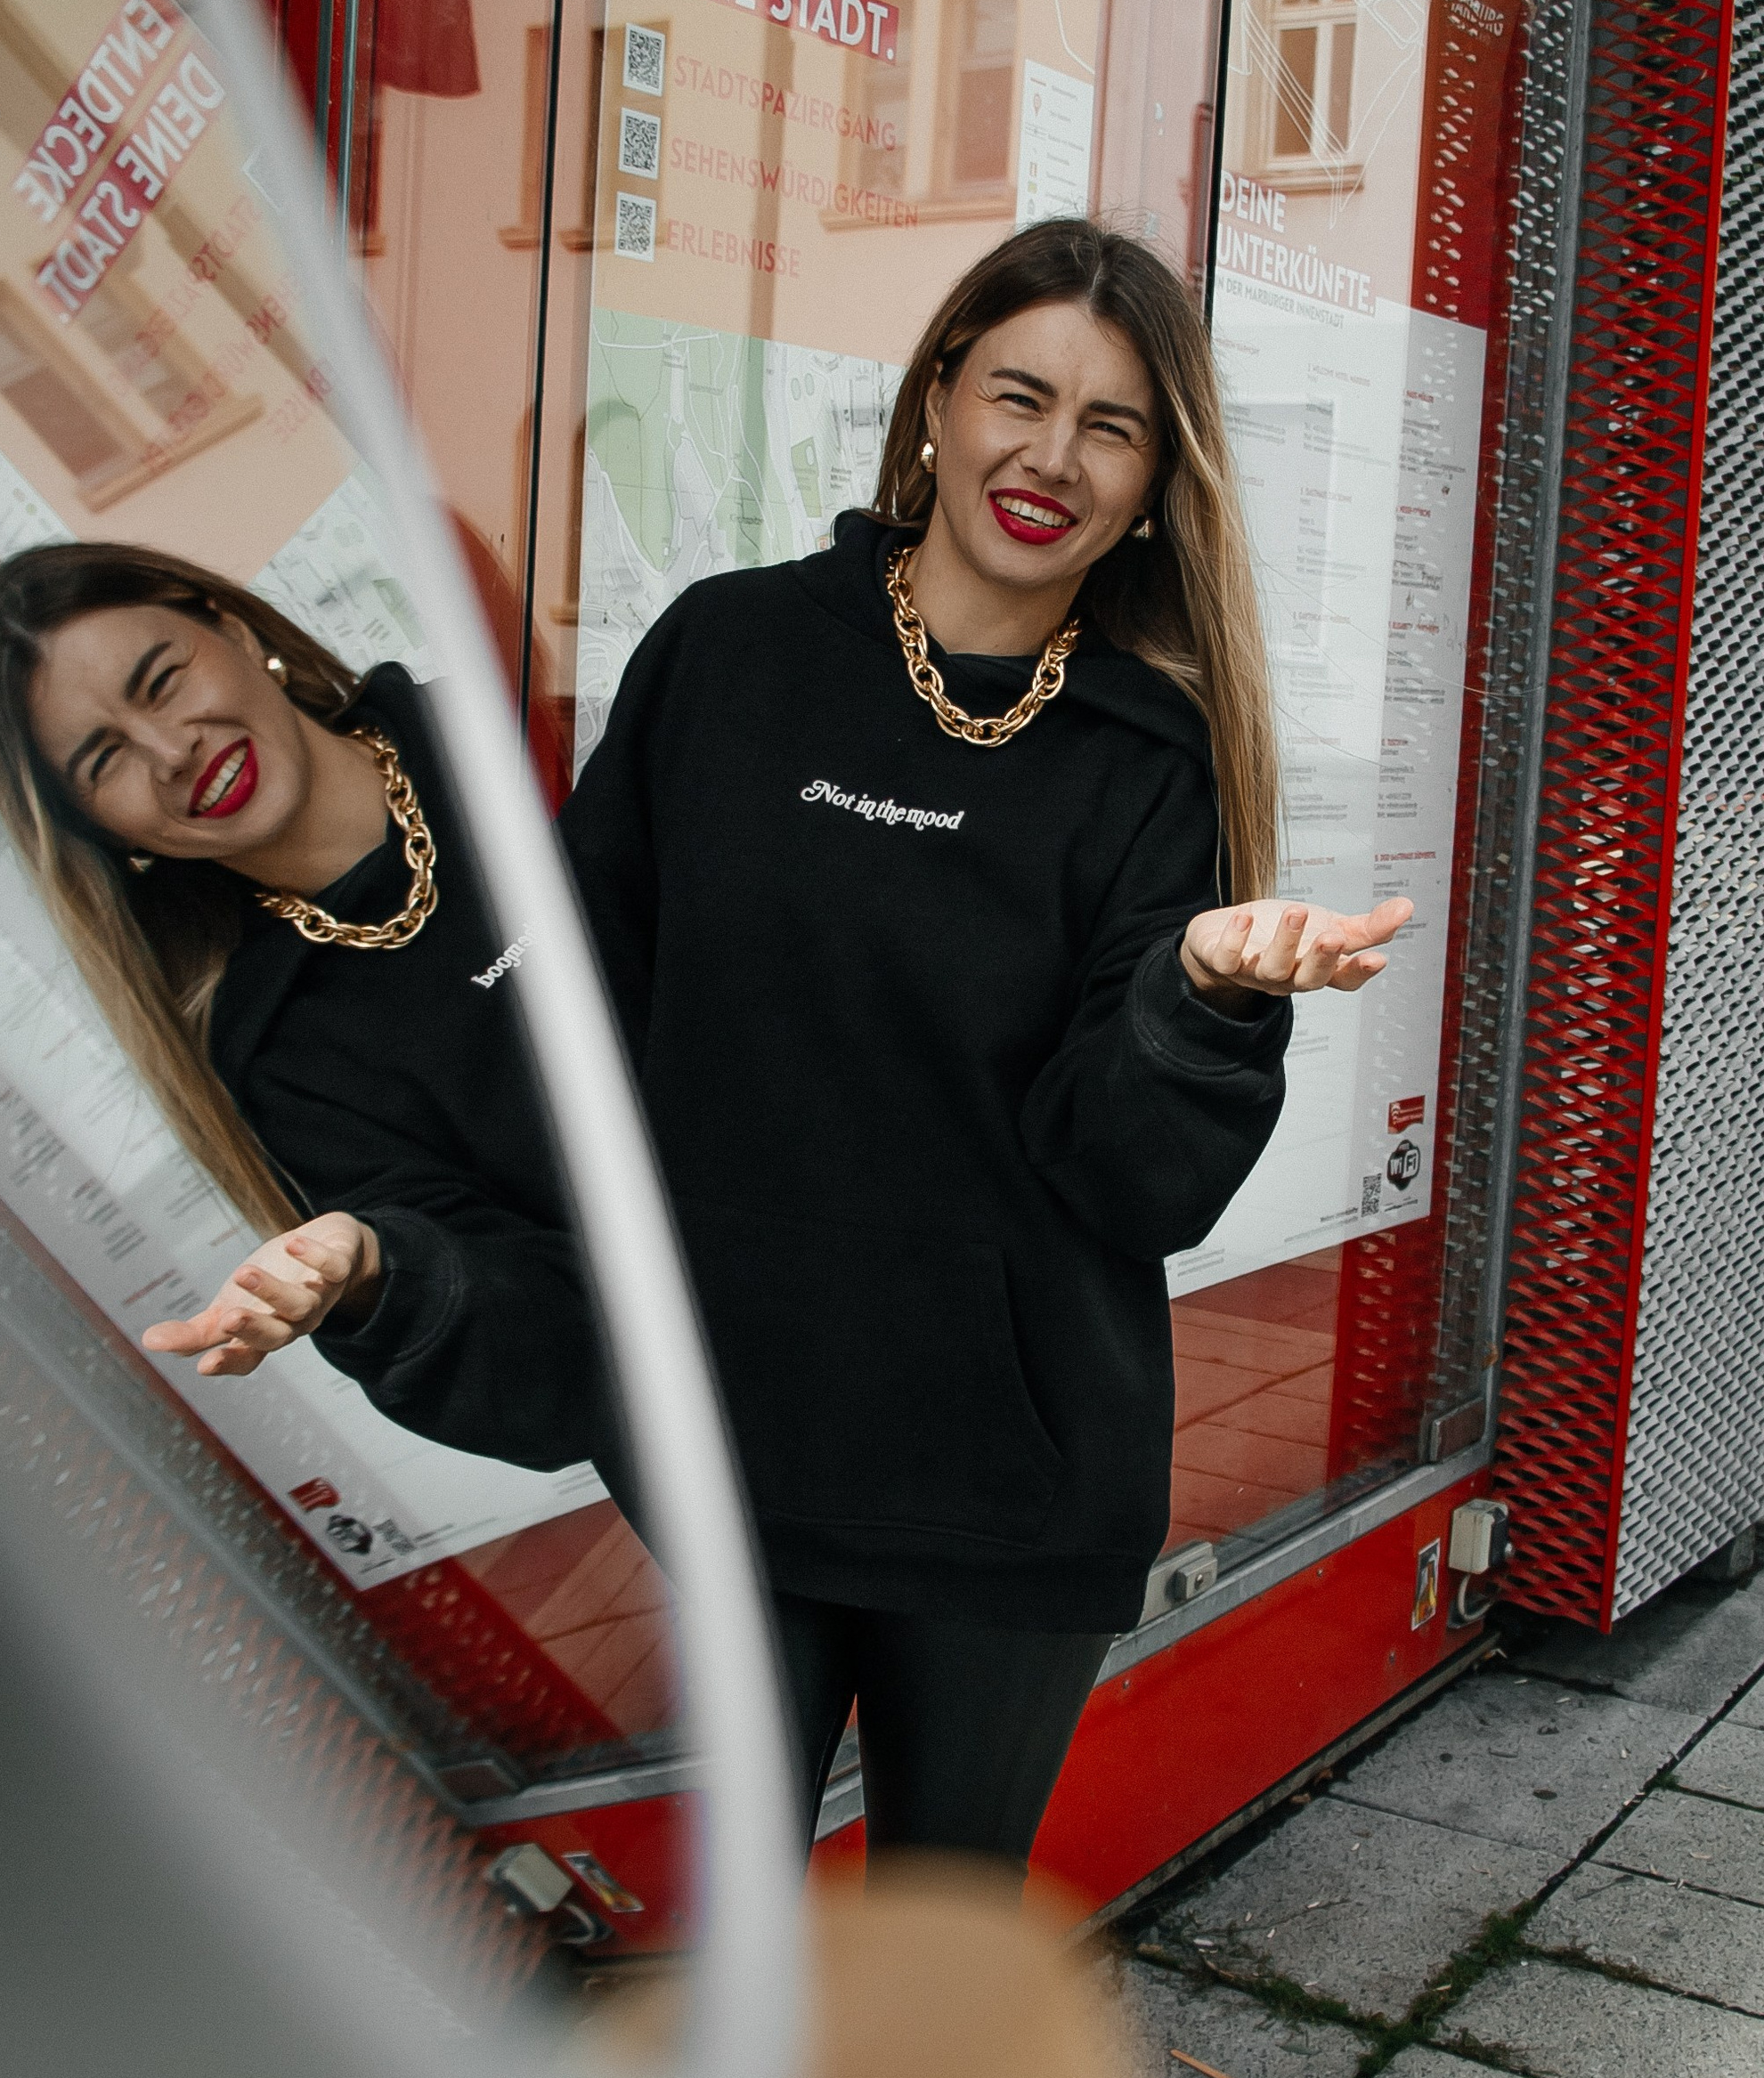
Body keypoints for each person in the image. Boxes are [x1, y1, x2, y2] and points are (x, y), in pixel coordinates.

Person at [563, 217, 1409, 1878]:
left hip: (1008, 1463)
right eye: (1020, 394)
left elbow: (1132, 1179)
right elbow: (586, 1000)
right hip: (739, 1419)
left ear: (1159, 478)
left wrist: (1200, 991)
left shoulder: (1151, 756)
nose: (1051, 457)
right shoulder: (734, 654)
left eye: (1112, 426)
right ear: (938, 396)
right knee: (739, 1921)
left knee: (932, 1961)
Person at [0, 544, 620, 1490]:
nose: (171, 750)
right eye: (106, 761)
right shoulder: (277, 1060)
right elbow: (567, 1378)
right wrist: (382, 1271)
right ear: (105, 834)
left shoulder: (527, 718)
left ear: (233, 626)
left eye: (162, 679)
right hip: (806, 1479)